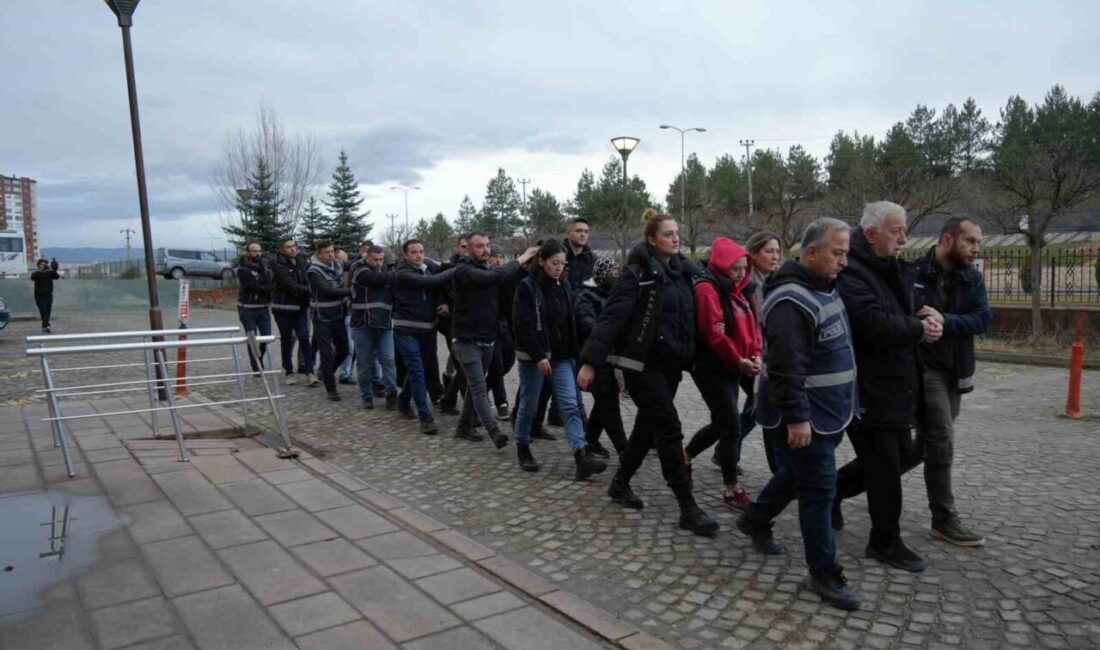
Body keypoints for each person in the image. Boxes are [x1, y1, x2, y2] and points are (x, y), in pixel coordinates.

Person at [734, 217, 861, 611]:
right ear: (811, 253)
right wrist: (797, 418)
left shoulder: (823, 286)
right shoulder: (791, 300)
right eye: (837, 253)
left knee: (796, 475)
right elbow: (788, 367)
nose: (844, 261)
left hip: (830, 412)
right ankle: (823, 572)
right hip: (809, 414)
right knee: (819, 490)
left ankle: (755, 518)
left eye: (846, 253)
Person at [578, 209, 718, 537]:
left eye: (677, 233)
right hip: (640, 366)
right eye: (668, 234)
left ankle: (620, 483)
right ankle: (688, 507)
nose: (676, 238)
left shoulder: (683, 271)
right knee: (669, 428)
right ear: (652, 239)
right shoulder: (636, 274)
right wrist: (590, 361)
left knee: (646, 428)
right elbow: (611, 318)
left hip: (670, 366)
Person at [833, 201, 942, 573]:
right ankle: (885, 539)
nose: (904, 238)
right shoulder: (852, 271)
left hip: (898, 381)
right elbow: (871, 323)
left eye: (903, 229)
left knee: (901, 456)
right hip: (867, 386)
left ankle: (828, 491)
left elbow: (904, 309)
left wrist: (928, 316)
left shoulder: (892, 267)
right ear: (871, 233)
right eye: (896, 230)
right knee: (884, 464)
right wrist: (917, 328)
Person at [908, 217, 990, 546]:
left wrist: (947, 320)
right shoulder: (914, 273)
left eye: (978, 243)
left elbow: (983, 319)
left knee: (922, 447)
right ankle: (943, 518)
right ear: (947, 239)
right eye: (970, 241)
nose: (975, 249)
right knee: (941, 437)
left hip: (953, 371)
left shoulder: (973, 278)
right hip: (923, 370)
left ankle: (845, 485)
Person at [512, 240, 608, 479]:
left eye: (563, 264)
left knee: (570, 404)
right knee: (529, 405)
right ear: (542, 261)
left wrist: (577, 352)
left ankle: (581, 455)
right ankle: (522, 445)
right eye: (555, 263)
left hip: (562, 356)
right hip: (534, 358)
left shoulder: (562, 285)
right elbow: (523, 325)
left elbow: (569, 321)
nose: (559, 268)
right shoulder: (526, 287)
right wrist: (538, 355)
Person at [683, 237, 762, 512]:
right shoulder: (707, 288)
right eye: (735, 268)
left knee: (721, 424)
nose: (741, 274)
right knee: (731, 425)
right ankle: (732, 490)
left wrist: (756, 354)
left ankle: (685, 457)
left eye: (744, 268)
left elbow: (753, 327)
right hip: (711, 366)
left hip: (735, 364)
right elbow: (712, 333)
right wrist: (739, 360)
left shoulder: (741, 290)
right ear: (722, 265)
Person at [450, 233, 538, 448]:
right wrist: (523, 256)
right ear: (468, 249)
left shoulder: (490, 270)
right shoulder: (464, 270)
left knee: (474, 387)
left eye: (487, 245)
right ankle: (494, 431)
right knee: (479, 388)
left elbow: (506, 284)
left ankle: (463, 427)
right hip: (466, 340)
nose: (486, 250)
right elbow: (494, 278)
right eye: (480, 246)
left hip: (488, 338)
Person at [391, 239, 457, 435]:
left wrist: (445, 304)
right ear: (405, 255)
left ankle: (403, 402)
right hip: (406, 330)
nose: (419, 255)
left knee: (416, 370)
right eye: (414, 252)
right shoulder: (402, 273)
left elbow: (439, 289)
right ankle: (425, 417)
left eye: (421, 251)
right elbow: (430, 283)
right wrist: (456, 270)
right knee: (418, 372)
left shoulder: (427, 269)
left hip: (428, 330)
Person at [575, 258, 627, 459]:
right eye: (610, 274)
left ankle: (591, 439)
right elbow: (588, 325)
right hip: (593, 357)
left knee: (605, 401)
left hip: (612, 357)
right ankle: (624, 449)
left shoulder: (615, 295)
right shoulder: (586, 297)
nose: (614, 278)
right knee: (609, 403)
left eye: (617, 273)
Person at [348, 245, 399, 410]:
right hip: (363, 324)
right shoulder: (359, 269)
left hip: (384, 324)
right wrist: (399, 274)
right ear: (366, 257)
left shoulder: (383, 272)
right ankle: (367, 396)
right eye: (375, 260)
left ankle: (391, 395)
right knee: (364, 362)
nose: (378, 263)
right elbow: (375, 280)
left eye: (381, 260)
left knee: (389, 361)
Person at [307, 241, 352, 401]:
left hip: (338, 315)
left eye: (332, 251)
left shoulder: (338, 264)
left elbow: (353, 264)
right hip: (321, 317)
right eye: (327, 252)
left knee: (344, 349)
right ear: (319, 254)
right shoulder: (314, 271)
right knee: (326, 353)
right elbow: (327, 290)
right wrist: (350, 292)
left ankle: (326, 372)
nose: (331, 255)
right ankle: (331, 388)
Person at [271, 238, 316, 386]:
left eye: (294, 246)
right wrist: (311, 290)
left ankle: (310, 372)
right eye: (288, 247)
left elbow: (307, 278)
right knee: (287, 340)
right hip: (284, 309)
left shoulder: (301, 261)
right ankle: (289, 372)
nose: (292, 249)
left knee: (304, 339)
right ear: (282, 249)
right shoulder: (278, 264)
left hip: (301, 308)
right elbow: (290, 285)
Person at [486, 245, 515, 420]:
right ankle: (502, 403)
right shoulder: (485, 278)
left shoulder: (507, 278)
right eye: (494, 256)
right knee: (496, 365)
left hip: (505, 327)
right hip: (489, 329)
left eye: (501, 257)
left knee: (507, 362)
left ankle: (476, 391)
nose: (498, 260)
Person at [236, 242, 273, 373]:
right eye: (254, 251)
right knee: (252, 338)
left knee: (267, 337)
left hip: (263, 307)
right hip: (247, 307)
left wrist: (267, 286)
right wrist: (268, 287)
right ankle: (256, 364)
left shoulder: (265, 266)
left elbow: (269, 282)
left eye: (259, 251)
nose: (257, 253)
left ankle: (259, 357)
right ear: (248, 252)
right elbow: (253, 286)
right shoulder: (243, 269)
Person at [563, 218, 598, 293]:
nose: (583, 235)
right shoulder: (559, 257)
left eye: (586, 232)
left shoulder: (593, 259)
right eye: (578, 231)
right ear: (568, 234)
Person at [30, 257, 60, 333]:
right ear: (38, 265)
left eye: (44, 264)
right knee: (43, 310)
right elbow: (32, 278)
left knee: (48, 311)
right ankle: (47, 325)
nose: (43, 265)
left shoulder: (49, 273)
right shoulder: (36, 273)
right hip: (39, 296)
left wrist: (50, 268)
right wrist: (40, 271)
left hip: (49, 295)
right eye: (41, 264)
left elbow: (57, 276)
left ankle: (45, 326)